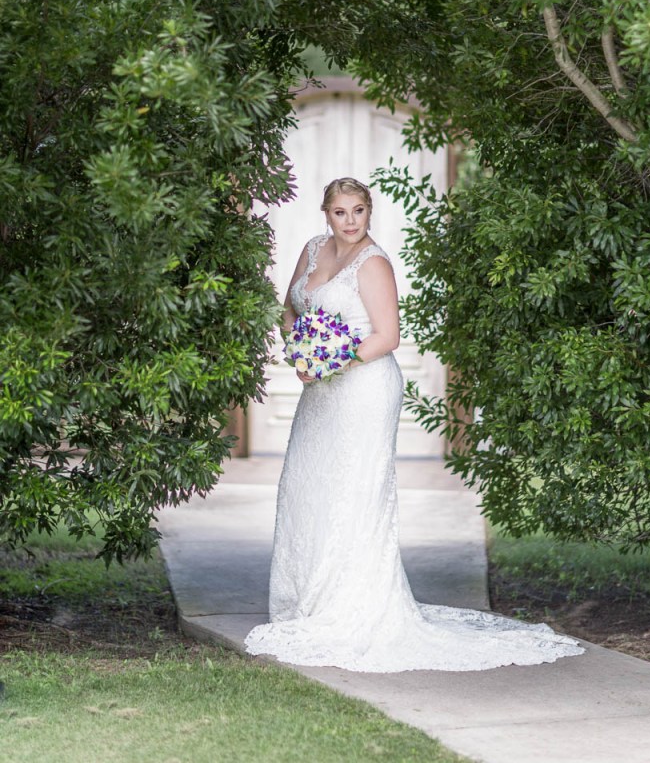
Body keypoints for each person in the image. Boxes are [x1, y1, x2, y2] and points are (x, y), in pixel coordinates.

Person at [243, 177, 585, 672]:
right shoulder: (314, 248)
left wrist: (330, 362)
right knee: (306, 485)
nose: (351, 221)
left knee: (351, 492)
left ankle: (351, 609)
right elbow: (291, 308)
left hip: (363, 388)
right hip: (320, 392)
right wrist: (299, 346)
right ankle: (307, 602)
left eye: (359, 210)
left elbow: (388, 335)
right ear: (326, 214)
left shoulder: (374, 262)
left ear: (368, 212)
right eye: (341, 212)